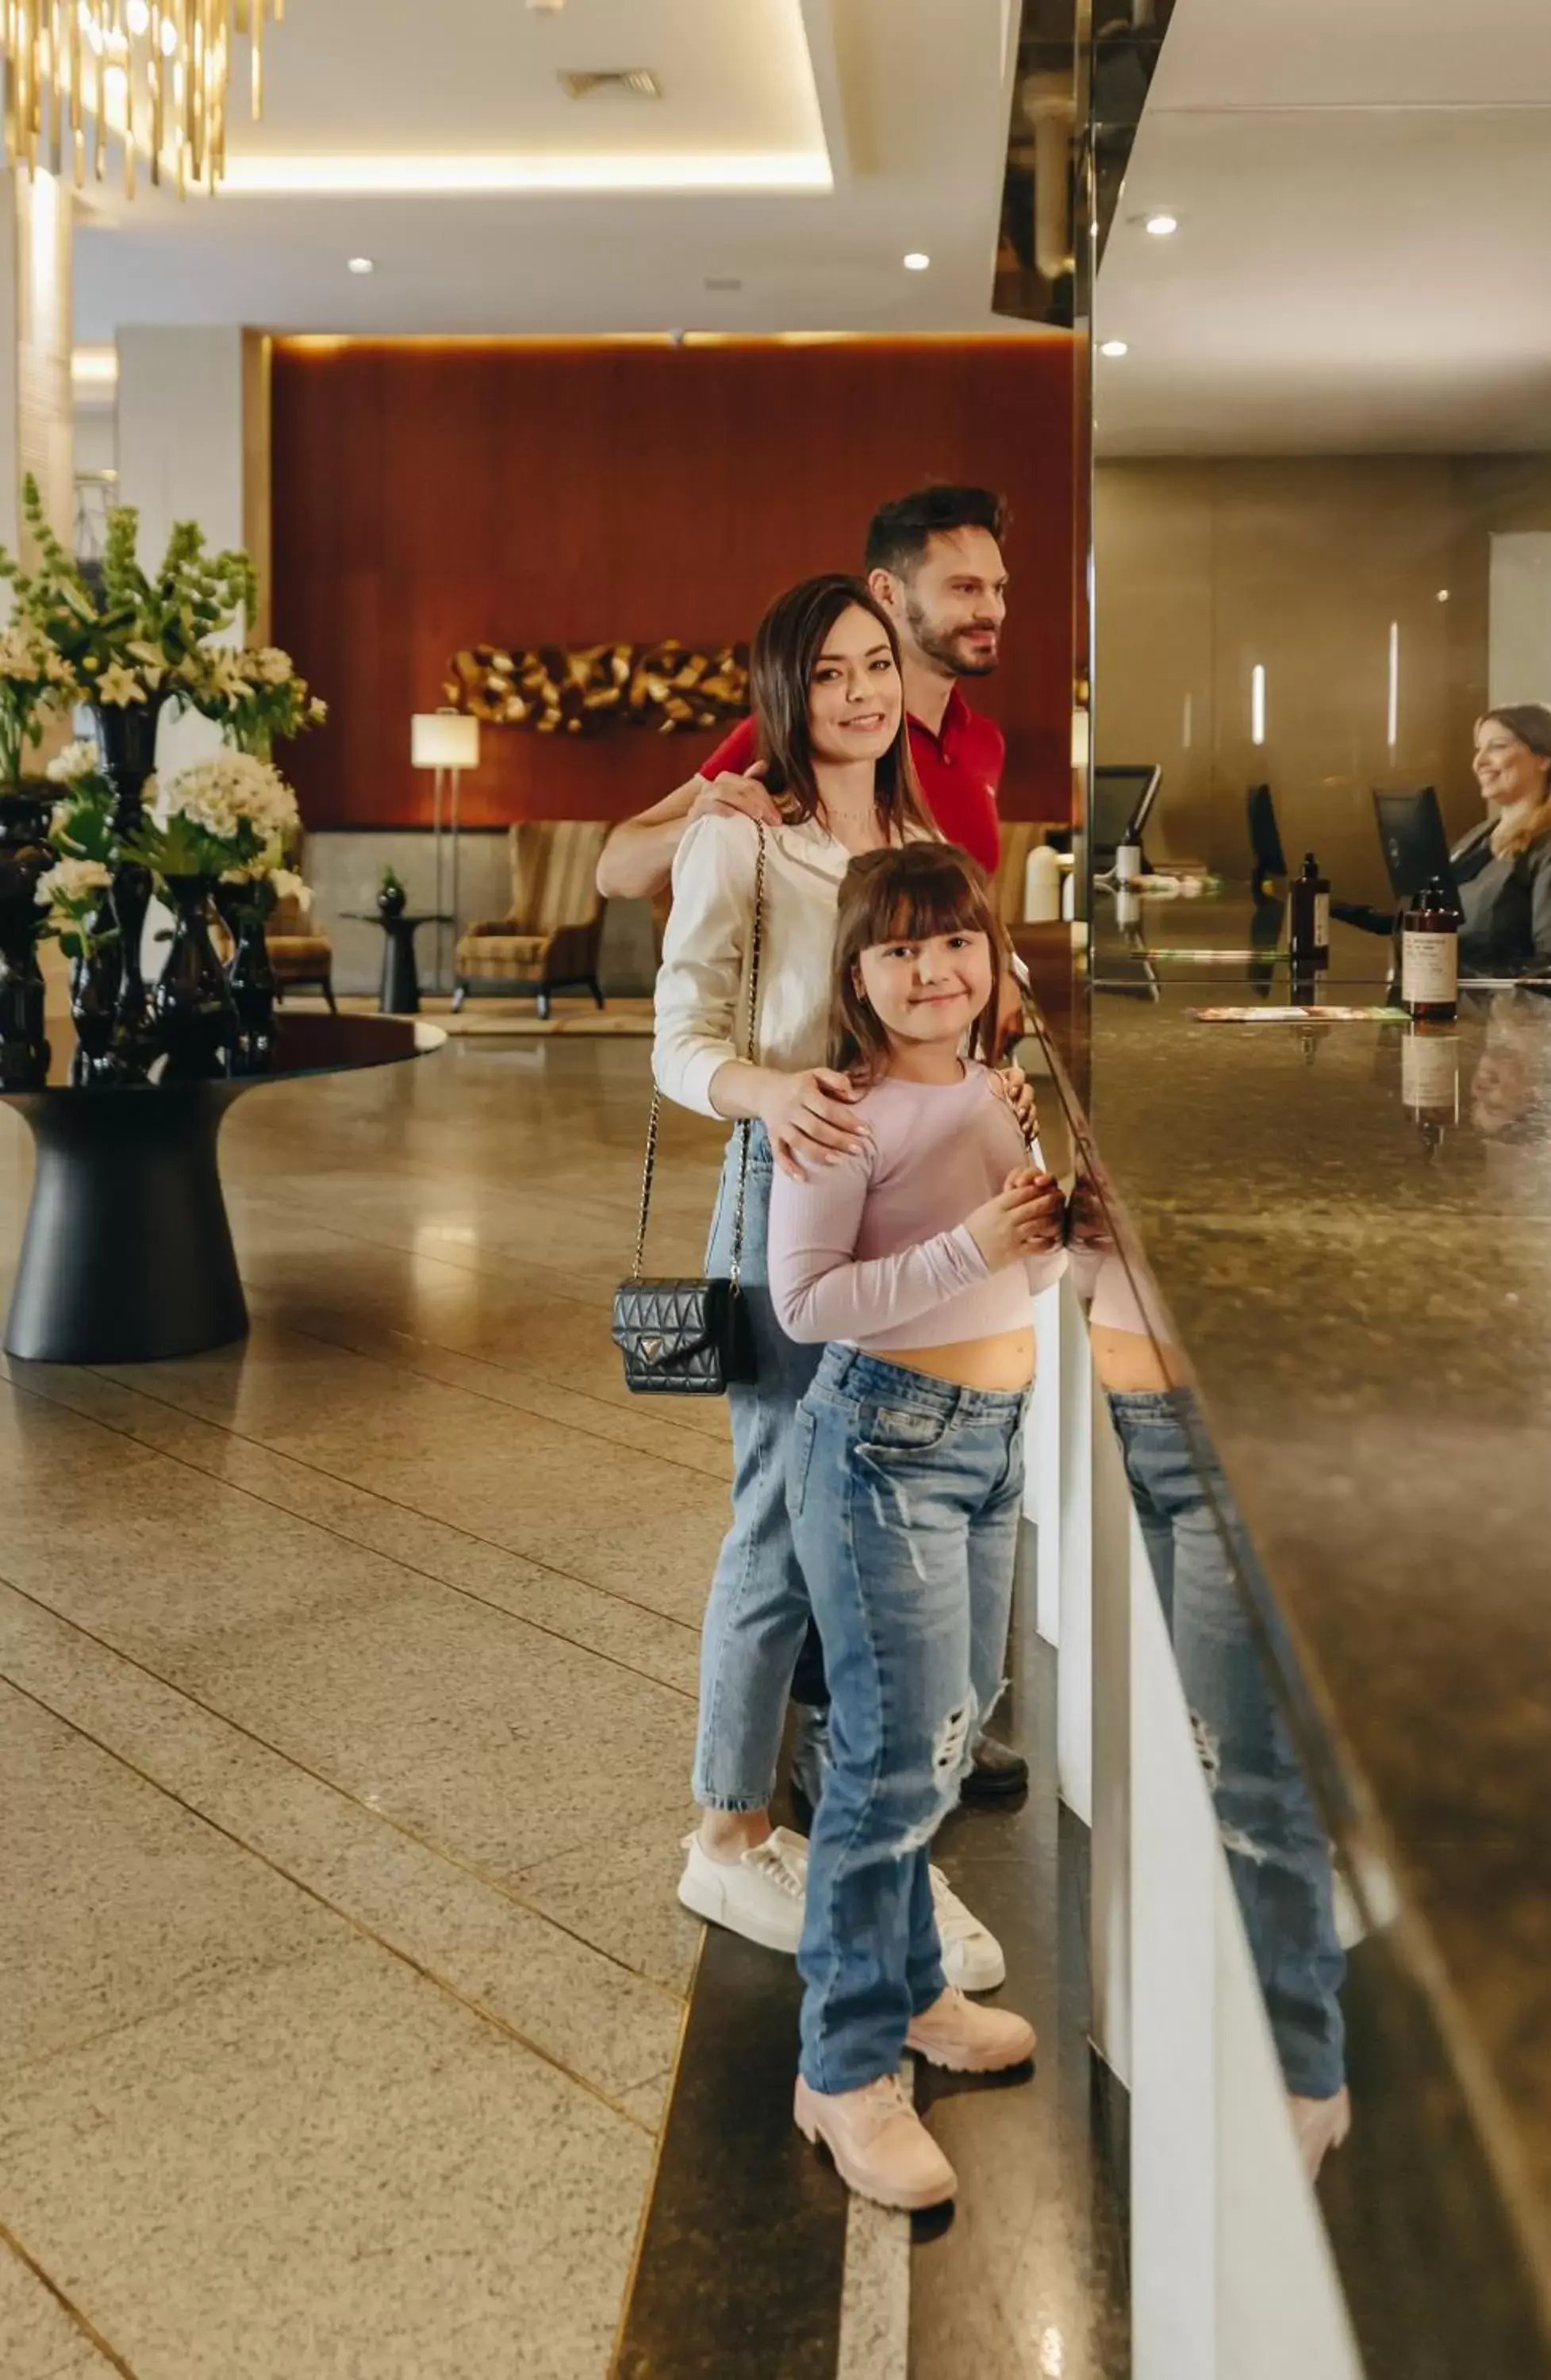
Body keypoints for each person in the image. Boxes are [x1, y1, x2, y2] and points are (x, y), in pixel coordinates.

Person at [615, 485, 1030, 1805]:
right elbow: (677, 1045)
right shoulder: (744, 834)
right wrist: (765, 1093)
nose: (858, 695)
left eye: (871, 669)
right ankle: (730, 1822)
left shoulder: (911, 841)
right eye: (829, 674)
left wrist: (981, 1096)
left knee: (874, 1516)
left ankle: (862, 1769)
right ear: (784, 694)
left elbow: (922, 1017)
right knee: (779, 1526)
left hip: (910, 1211)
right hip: (784, 1195)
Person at [768, 841, 1062, 2209]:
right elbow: (807, 1304)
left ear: (992, 952)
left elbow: (1016, 1256)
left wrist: (1059, 1229)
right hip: (883, 1448)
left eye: (955, 942)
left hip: (987, 1445)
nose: (933, 970)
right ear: (858, 979)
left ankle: (918, 1991)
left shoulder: (1000, 1091)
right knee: (888, 1773)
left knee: (941, 1749)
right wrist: (977, 1252)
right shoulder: (846, 1115)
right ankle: (842, 2068)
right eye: (898, 951)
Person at [1065, 1181, 1351, 2180]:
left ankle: (1301, 2069)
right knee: (1195, 1752)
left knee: (1249, 1773)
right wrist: (1087, 1247)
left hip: (1225, 1431)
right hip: (1140, 1429)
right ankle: (1233, 2015)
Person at [596, 483, 1011, 900]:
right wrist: (701, 827)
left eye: (999, 589)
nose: (992, 610)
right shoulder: (806, 727)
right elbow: (614, 872)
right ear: (887, 592)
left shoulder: (983, 743)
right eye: (965, 588)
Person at [1453, 704, 1551, 976]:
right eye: (1479, 748)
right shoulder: (1479, 837)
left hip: (1506, 1014)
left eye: (1497, 746)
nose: (1479, 762)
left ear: (1543, 758)